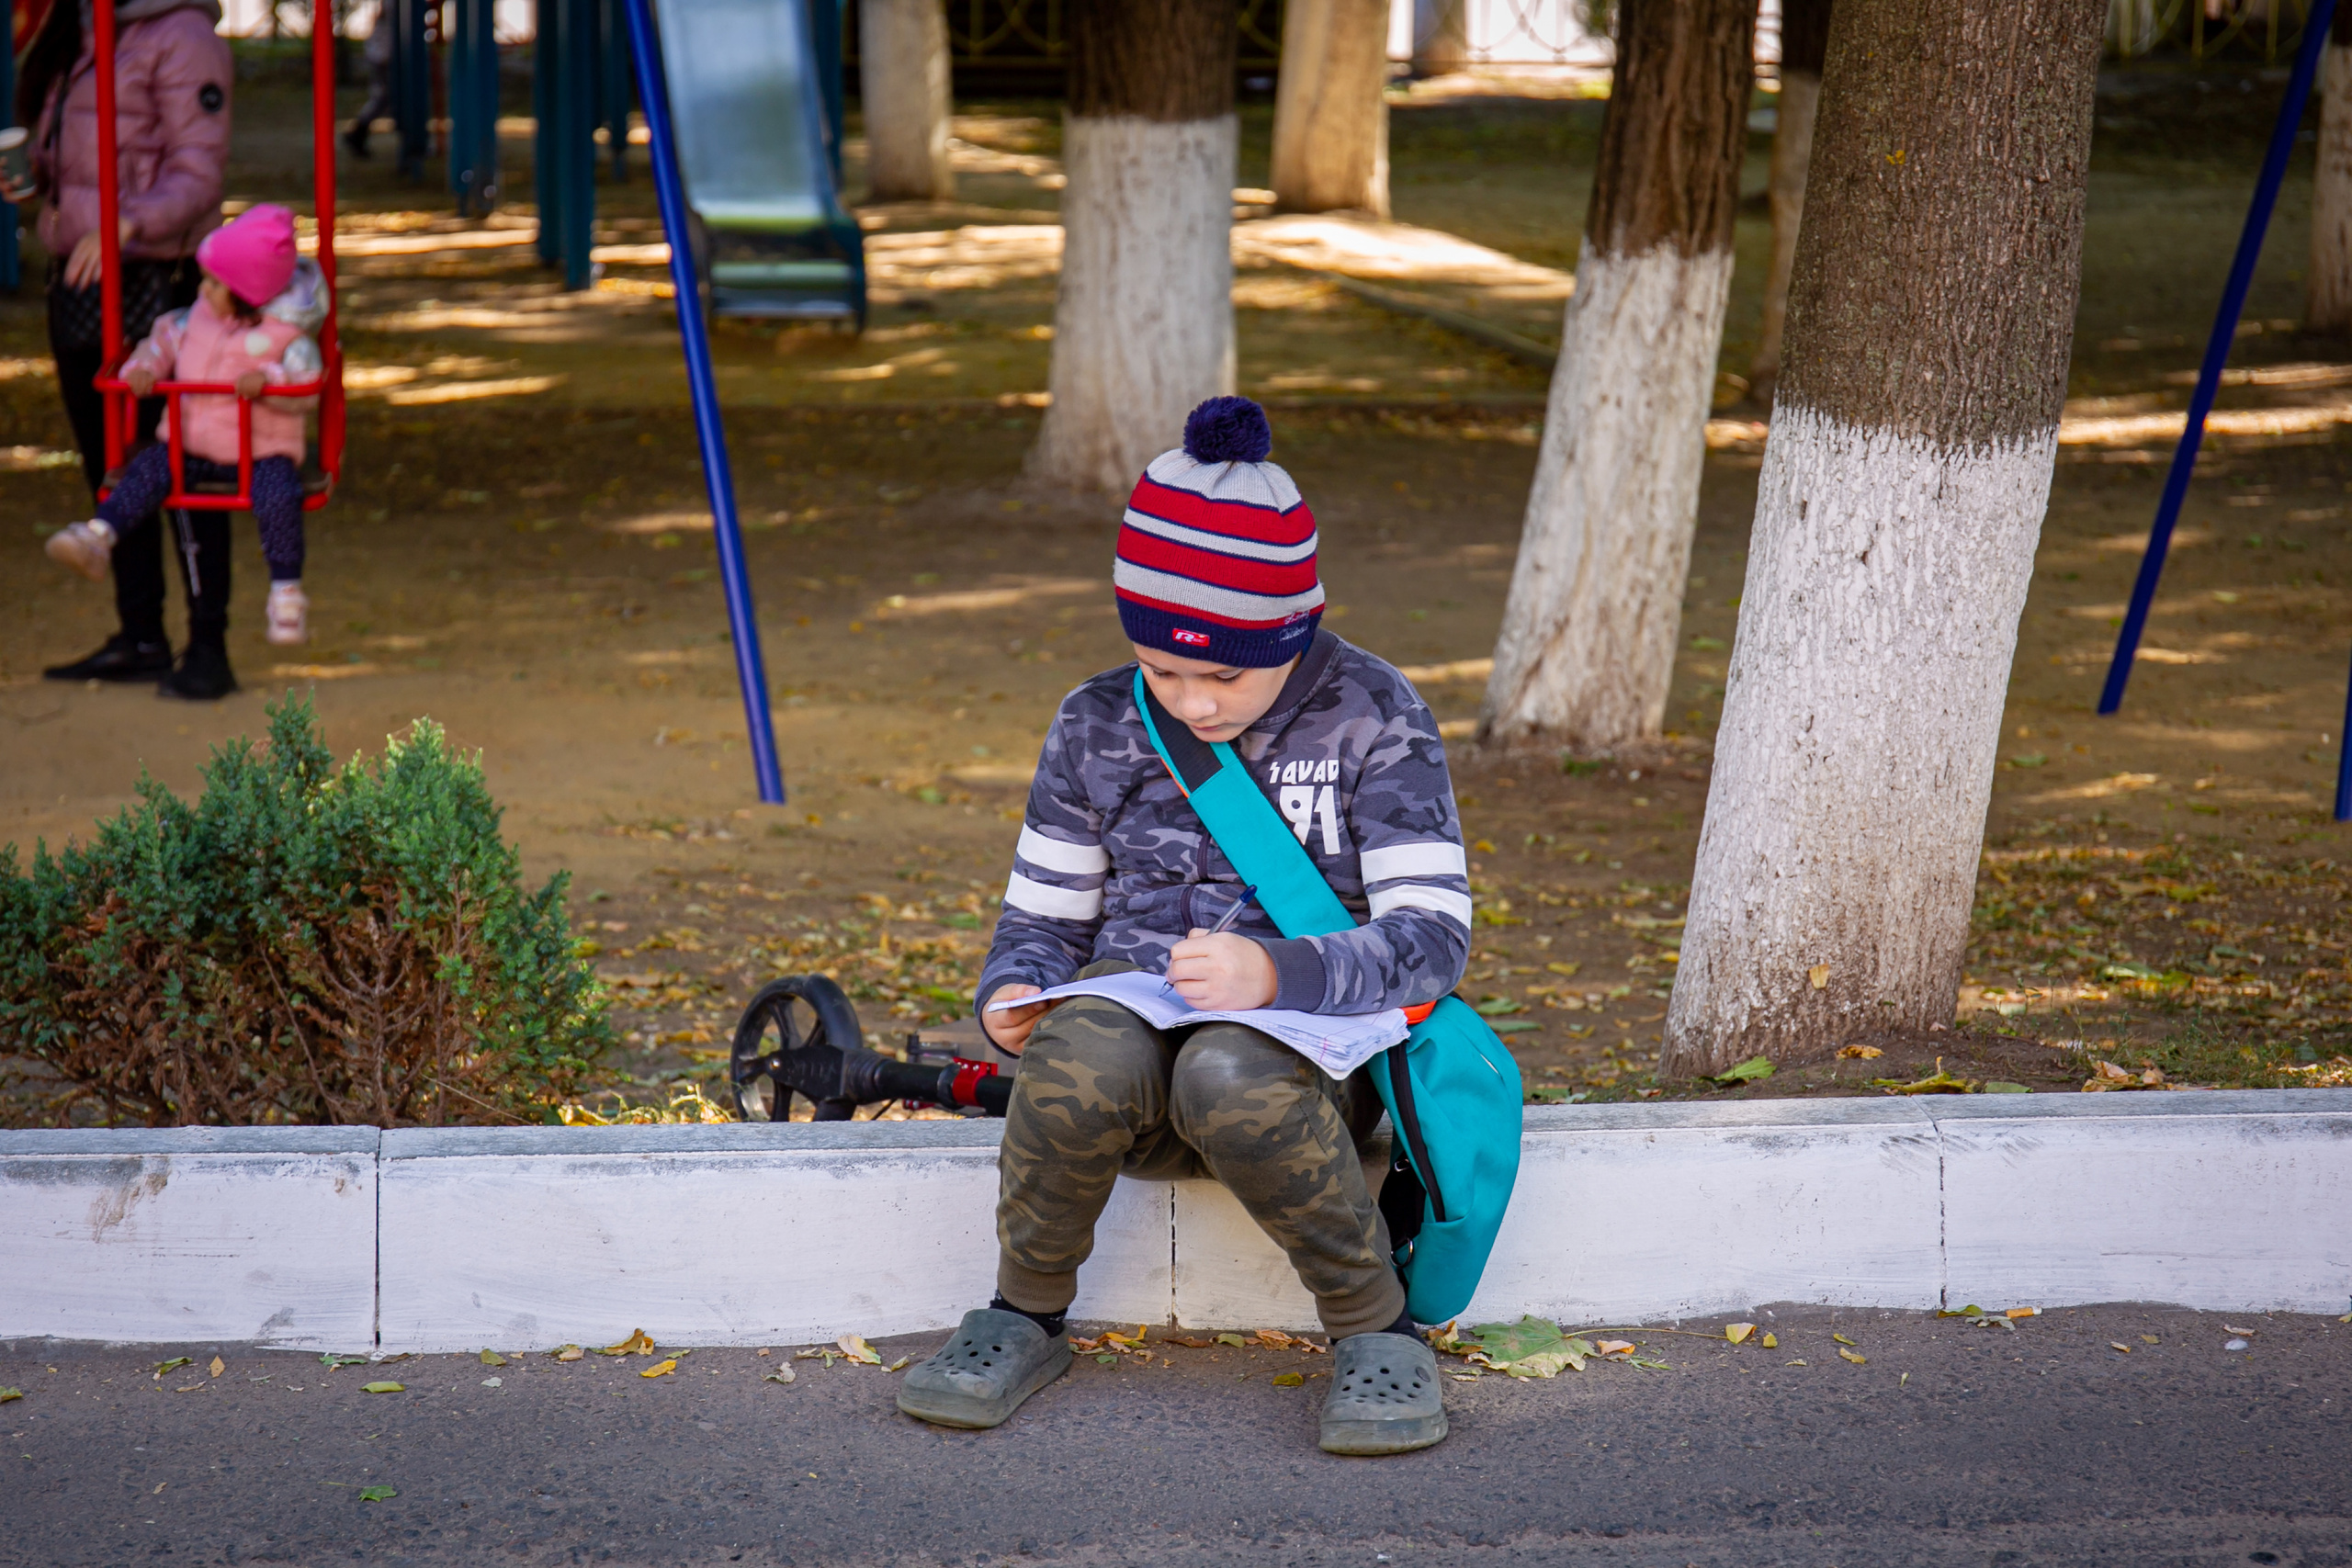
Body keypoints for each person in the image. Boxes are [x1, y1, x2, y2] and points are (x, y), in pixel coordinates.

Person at [894, 396, 1473, 1456]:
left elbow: (1434, 937)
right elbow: (1043, 916)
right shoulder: (1095, 723)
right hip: (1132, 1063)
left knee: (1227, 1069)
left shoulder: (1375, 714)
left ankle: (1375, 1330)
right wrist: (1011, 991)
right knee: (1075, 1055)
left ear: (1293, 632)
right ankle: (1022, 1316)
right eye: (1167, 671)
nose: (1196, 703)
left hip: (1301, 1077)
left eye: (1226, 674)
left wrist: (1274, 973)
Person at [5, 0, 237, 698]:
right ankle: (140, 632)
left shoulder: (181, 34)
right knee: (110, 461)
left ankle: (207, 641)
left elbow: (199, 170)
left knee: (176, 460)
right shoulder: (83, 30)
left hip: (152, 277)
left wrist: (125, 222)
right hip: (82, 277)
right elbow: (85, 158)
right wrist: (38, 179)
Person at [45, 202, 323, 649]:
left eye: (215, 283)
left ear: (247, 292)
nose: (204, 288)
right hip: (192, 445)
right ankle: (98, 536)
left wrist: (268, 381)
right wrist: (145, 367)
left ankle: (286, 592)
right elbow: (161, 343)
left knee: (279, 498)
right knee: (149, 469)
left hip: (260, 451)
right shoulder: (195, 317)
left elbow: (307, 386)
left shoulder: (283, 339)